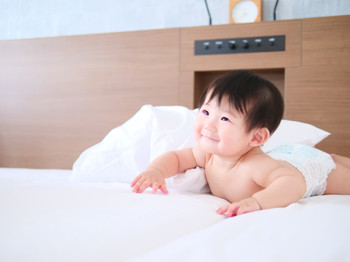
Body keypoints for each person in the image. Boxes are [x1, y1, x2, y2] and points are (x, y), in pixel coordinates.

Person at [130, 70, 350, 217]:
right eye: (205, 112)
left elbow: (294, 183)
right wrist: (156, 171)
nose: (209, 124)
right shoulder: (208, 154)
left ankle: (334, 159)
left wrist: (256, 202)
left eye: (225, 119)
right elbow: (177, 158)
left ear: (256, 138)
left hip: (312, 168)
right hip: (286, 155)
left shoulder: (256, 165)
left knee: (339, 172)